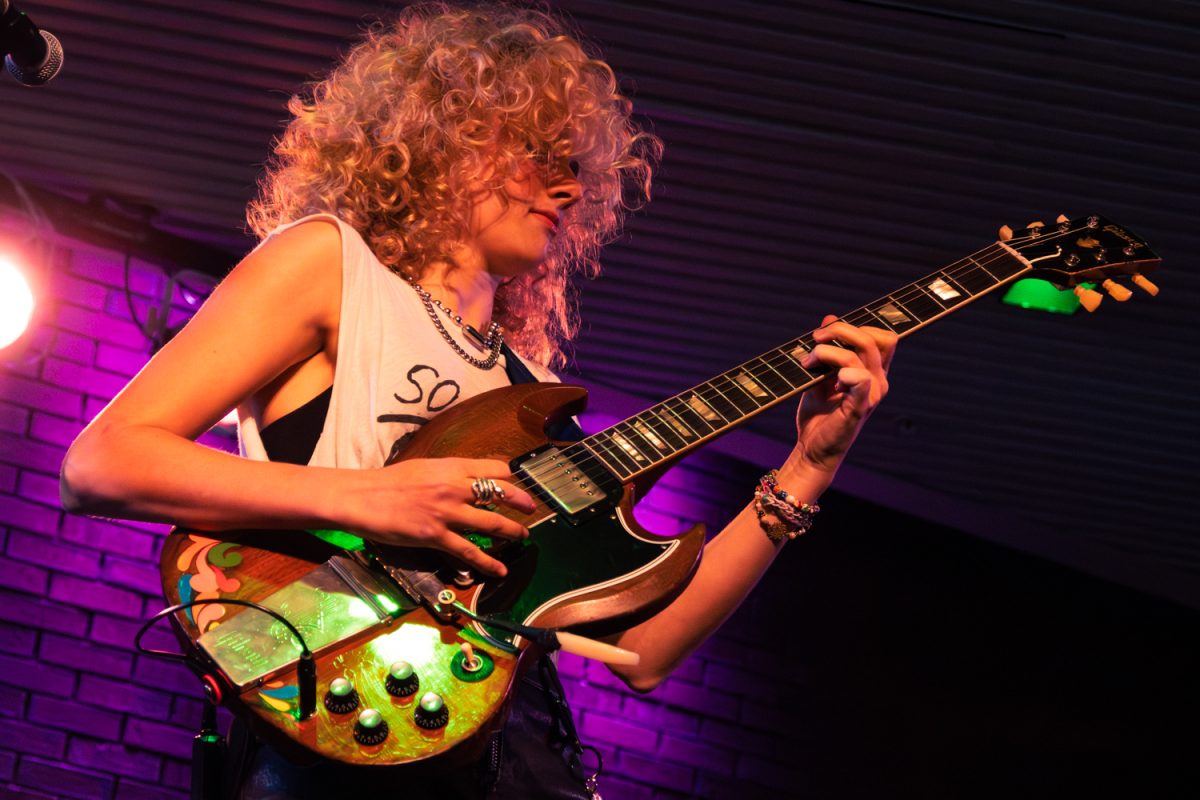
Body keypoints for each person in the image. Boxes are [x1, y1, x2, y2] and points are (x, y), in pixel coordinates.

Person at [60, 2, 897, 798]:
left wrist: (811, 463)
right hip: (341, 707)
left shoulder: (528, 394)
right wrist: (378, 500)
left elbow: (643, 652)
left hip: (517, 749)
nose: (568, 190)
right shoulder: (330, 266)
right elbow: (104, 461)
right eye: (542, 153)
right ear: (445, 141)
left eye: (576, 169)